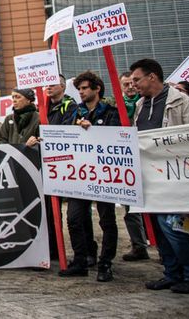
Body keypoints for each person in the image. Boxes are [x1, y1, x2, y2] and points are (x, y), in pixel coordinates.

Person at [130, 58, 189, 294]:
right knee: (158, 229)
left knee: (175, 227)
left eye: (137, 79)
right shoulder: (140, 105)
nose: (133, 84)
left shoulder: (180, 102)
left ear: (152, 77)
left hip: (177, 179)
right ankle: (172, 273)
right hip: (152, 180)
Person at [58, 71, 120, 282]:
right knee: (74, 218)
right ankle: (81, 260)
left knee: (107, 220)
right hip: (80, 176)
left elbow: (118, 138)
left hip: (104, 176)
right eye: (80, 89)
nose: (82, 92)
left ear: (97, 89)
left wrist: (92, 130)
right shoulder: (76, 113)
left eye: (85, 88)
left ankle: (105, 263)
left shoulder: (112, 112)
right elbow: (64, 135)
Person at [119, 71, 150, 262]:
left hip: (148, 159)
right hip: (127, 161)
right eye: (126, 84)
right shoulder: (117, 106)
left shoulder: (146, 102)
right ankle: (139, 245)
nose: (130, 87)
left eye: (133, 83)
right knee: (130, 207)